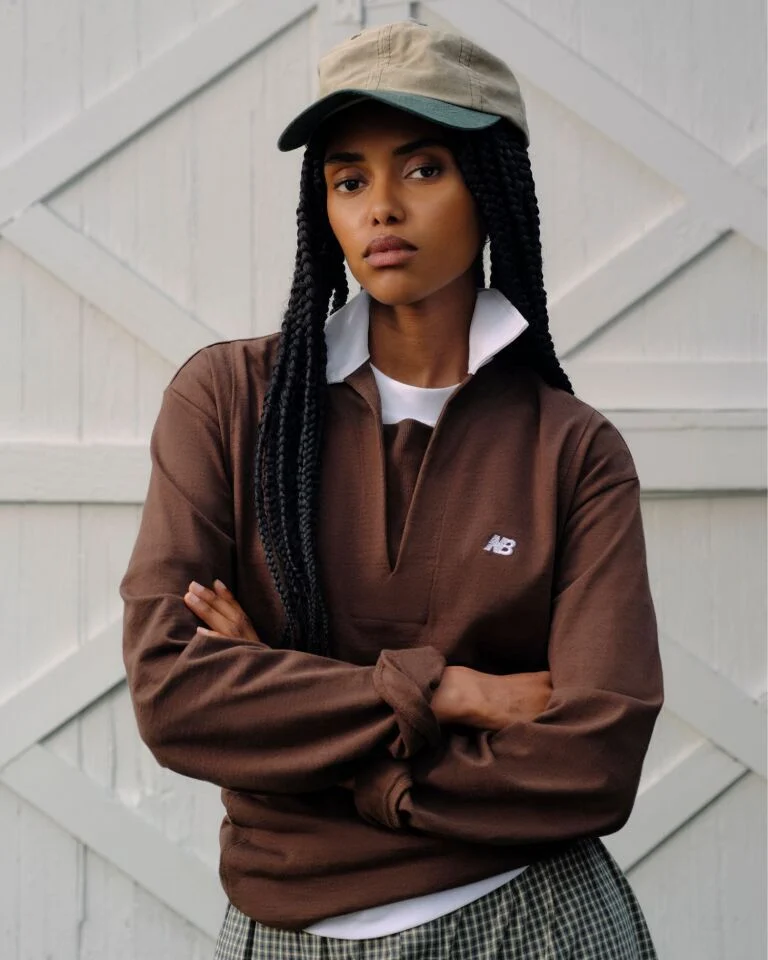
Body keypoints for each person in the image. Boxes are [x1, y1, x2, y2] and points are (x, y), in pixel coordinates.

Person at [120, 19, 664, 960]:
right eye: (348, 178)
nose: (381, 208)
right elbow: (176, 695)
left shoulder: (575, 452)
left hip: (534, 922)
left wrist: (313, 758)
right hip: (289, 932)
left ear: (490, 186)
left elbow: (595, 762)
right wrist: (449, 691)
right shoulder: (228, 402)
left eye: (421, 169)